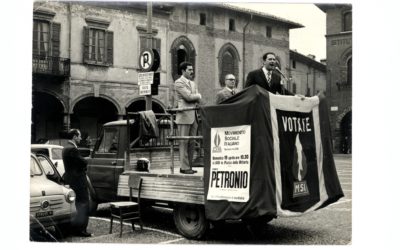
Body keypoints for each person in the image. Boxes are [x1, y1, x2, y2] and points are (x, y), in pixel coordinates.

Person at [62, 128, 92, 237]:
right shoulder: (72, 149)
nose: (80, 138)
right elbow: (82, 162)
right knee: (83, 204)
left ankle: (75, 228)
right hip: (78, 181)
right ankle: (81, 230)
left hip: (71, 180)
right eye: (79, 136)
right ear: (74, 137)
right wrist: (87, 159)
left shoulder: (66, 148)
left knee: (76, 205)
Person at [174, 61, 202, 174]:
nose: (192, 71)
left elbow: (192, 98)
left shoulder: (193, 83)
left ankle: (189, 166)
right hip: (184, 115)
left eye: (192, 69)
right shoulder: (178, 82)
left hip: (193, 115)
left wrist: (195, 97)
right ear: (183, 71)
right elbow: (188, 97)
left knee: (191, 142)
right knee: (183, 142)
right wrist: (198, 96)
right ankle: (184, 167)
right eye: (189, 70)